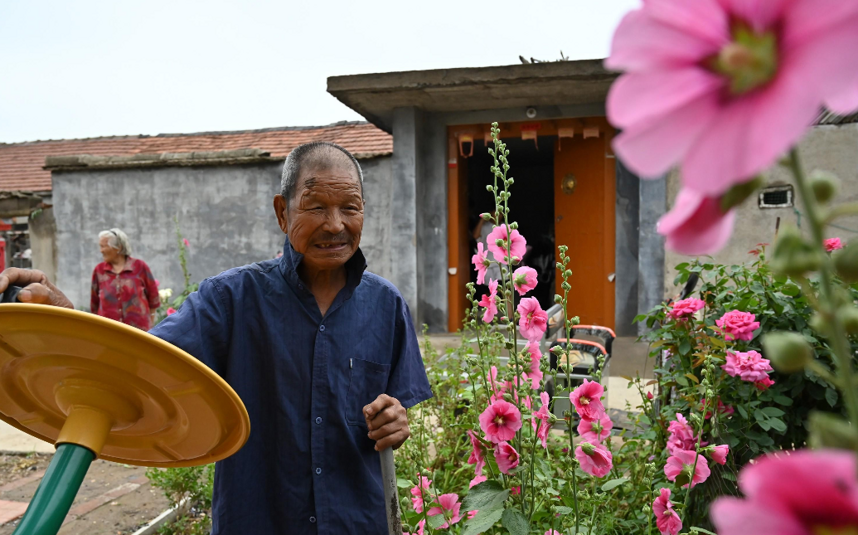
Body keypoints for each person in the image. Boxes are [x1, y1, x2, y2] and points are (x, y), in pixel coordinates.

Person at [0, 142, 432, 535]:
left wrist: (396, 420)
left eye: (350, 208)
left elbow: (394, 410)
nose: (335, 224)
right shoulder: (230, 299)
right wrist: (66, 322)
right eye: (316, 206)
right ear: (283, 212)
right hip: (258, 521)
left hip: (356, 522)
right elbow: (139, 363)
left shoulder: (386, 305)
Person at [91, 228, 160, 330]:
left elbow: (154, 299)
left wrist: (150, 325)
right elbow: (94, 304)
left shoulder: (140, 267)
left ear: (118, 247)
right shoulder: (99, 270)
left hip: (138, 332)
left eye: (103, 246)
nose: (101, 250)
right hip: (108, 331)